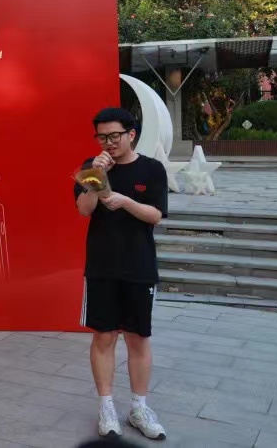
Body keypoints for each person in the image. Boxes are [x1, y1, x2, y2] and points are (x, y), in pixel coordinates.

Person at [74, 107, 168, 441]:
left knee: (138, 338)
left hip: (139, 266)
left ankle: (139, 408)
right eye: (102, 137)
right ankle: (107, 407)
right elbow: (83, 209)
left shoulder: (152, 169)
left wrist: (125, 201)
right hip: (101, 267)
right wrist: (96, 178)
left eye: (114, 136)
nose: (109, 143)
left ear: (131, 134)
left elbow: (155, 215)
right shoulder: (92, 166)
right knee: (104, 337)